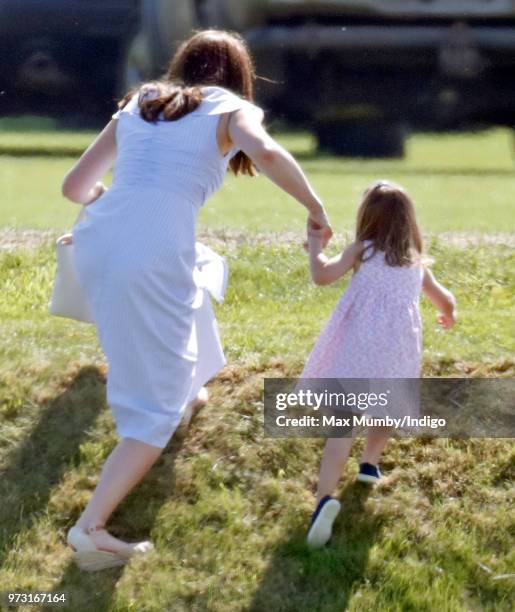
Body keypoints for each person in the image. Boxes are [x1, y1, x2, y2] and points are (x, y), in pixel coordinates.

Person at [61, 30, 332, 570]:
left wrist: (113, 208)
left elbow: (74, 187)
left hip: (96, 240)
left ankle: (191, 387)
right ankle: (90, 529)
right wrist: (316, 208)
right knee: (150, 415)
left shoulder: (141, 102)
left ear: (181, 64)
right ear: (239, 76)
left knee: (204, 266)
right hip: (148, 254)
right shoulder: (231, 106)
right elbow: (269, 152)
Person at [303, 180, 456, 548]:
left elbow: (322, 276)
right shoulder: (417, 264)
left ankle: (325, 498)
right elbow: (444, 298)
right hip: (397, 350)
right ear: (408, 222)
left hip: (358, 347)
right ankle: (370, 463)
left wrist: (313, 247)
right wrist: (449, 313)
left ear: (367, 218)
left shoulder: (362, 251)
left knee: (343, 423)